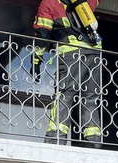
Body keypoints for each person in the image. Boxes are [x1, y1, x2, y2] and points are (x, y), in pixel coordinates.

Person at [32, 0, 104, 148]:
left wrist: (36, 59)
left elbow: (42, 33)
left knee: (65, 94)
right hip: (94, 51)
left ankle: (55, 137)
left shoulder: (49, 2)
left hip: (71, 51)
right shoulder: (84, 1)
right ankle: (93, 140)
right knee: (90, 97)